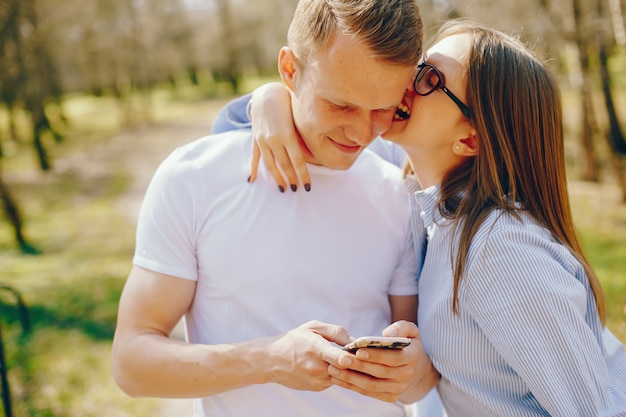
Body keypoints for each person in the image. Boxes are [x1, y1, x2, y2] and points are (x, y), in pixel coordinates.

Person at [220, 19, 626, 416]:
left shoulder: (501, 249)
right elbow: (247, 124)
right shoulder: (427, 200)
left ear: (469, 139)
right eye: (417, 69)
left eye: (430, 79)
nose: (405, 85)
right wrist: (271, 98)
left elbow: (596, 409)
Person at [111, 0, 441, 416]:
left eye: (383, 110)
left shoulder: (398, 192)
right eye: (340, 105)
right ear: (289, 70)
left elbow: (420, 382)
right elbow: (131, 364)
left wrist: (410, 373)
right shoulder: (194, 177)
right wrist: (270, 360)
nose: (361, 133)